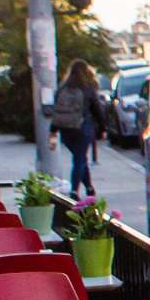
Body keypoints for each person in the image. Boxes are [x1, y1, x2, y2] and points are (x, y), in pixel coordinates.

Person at [50, 60, 101, 198]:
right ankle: (74, 190)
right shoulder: (87, 88)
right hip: (83, 128)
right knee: (79, 159)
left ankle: (89, 187)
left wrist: (53, 131)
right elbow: (97, 109)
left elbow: (56, 111)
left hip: (65, 130)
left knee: (80, 158)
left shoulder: (62, 88)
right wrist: (103, 128)